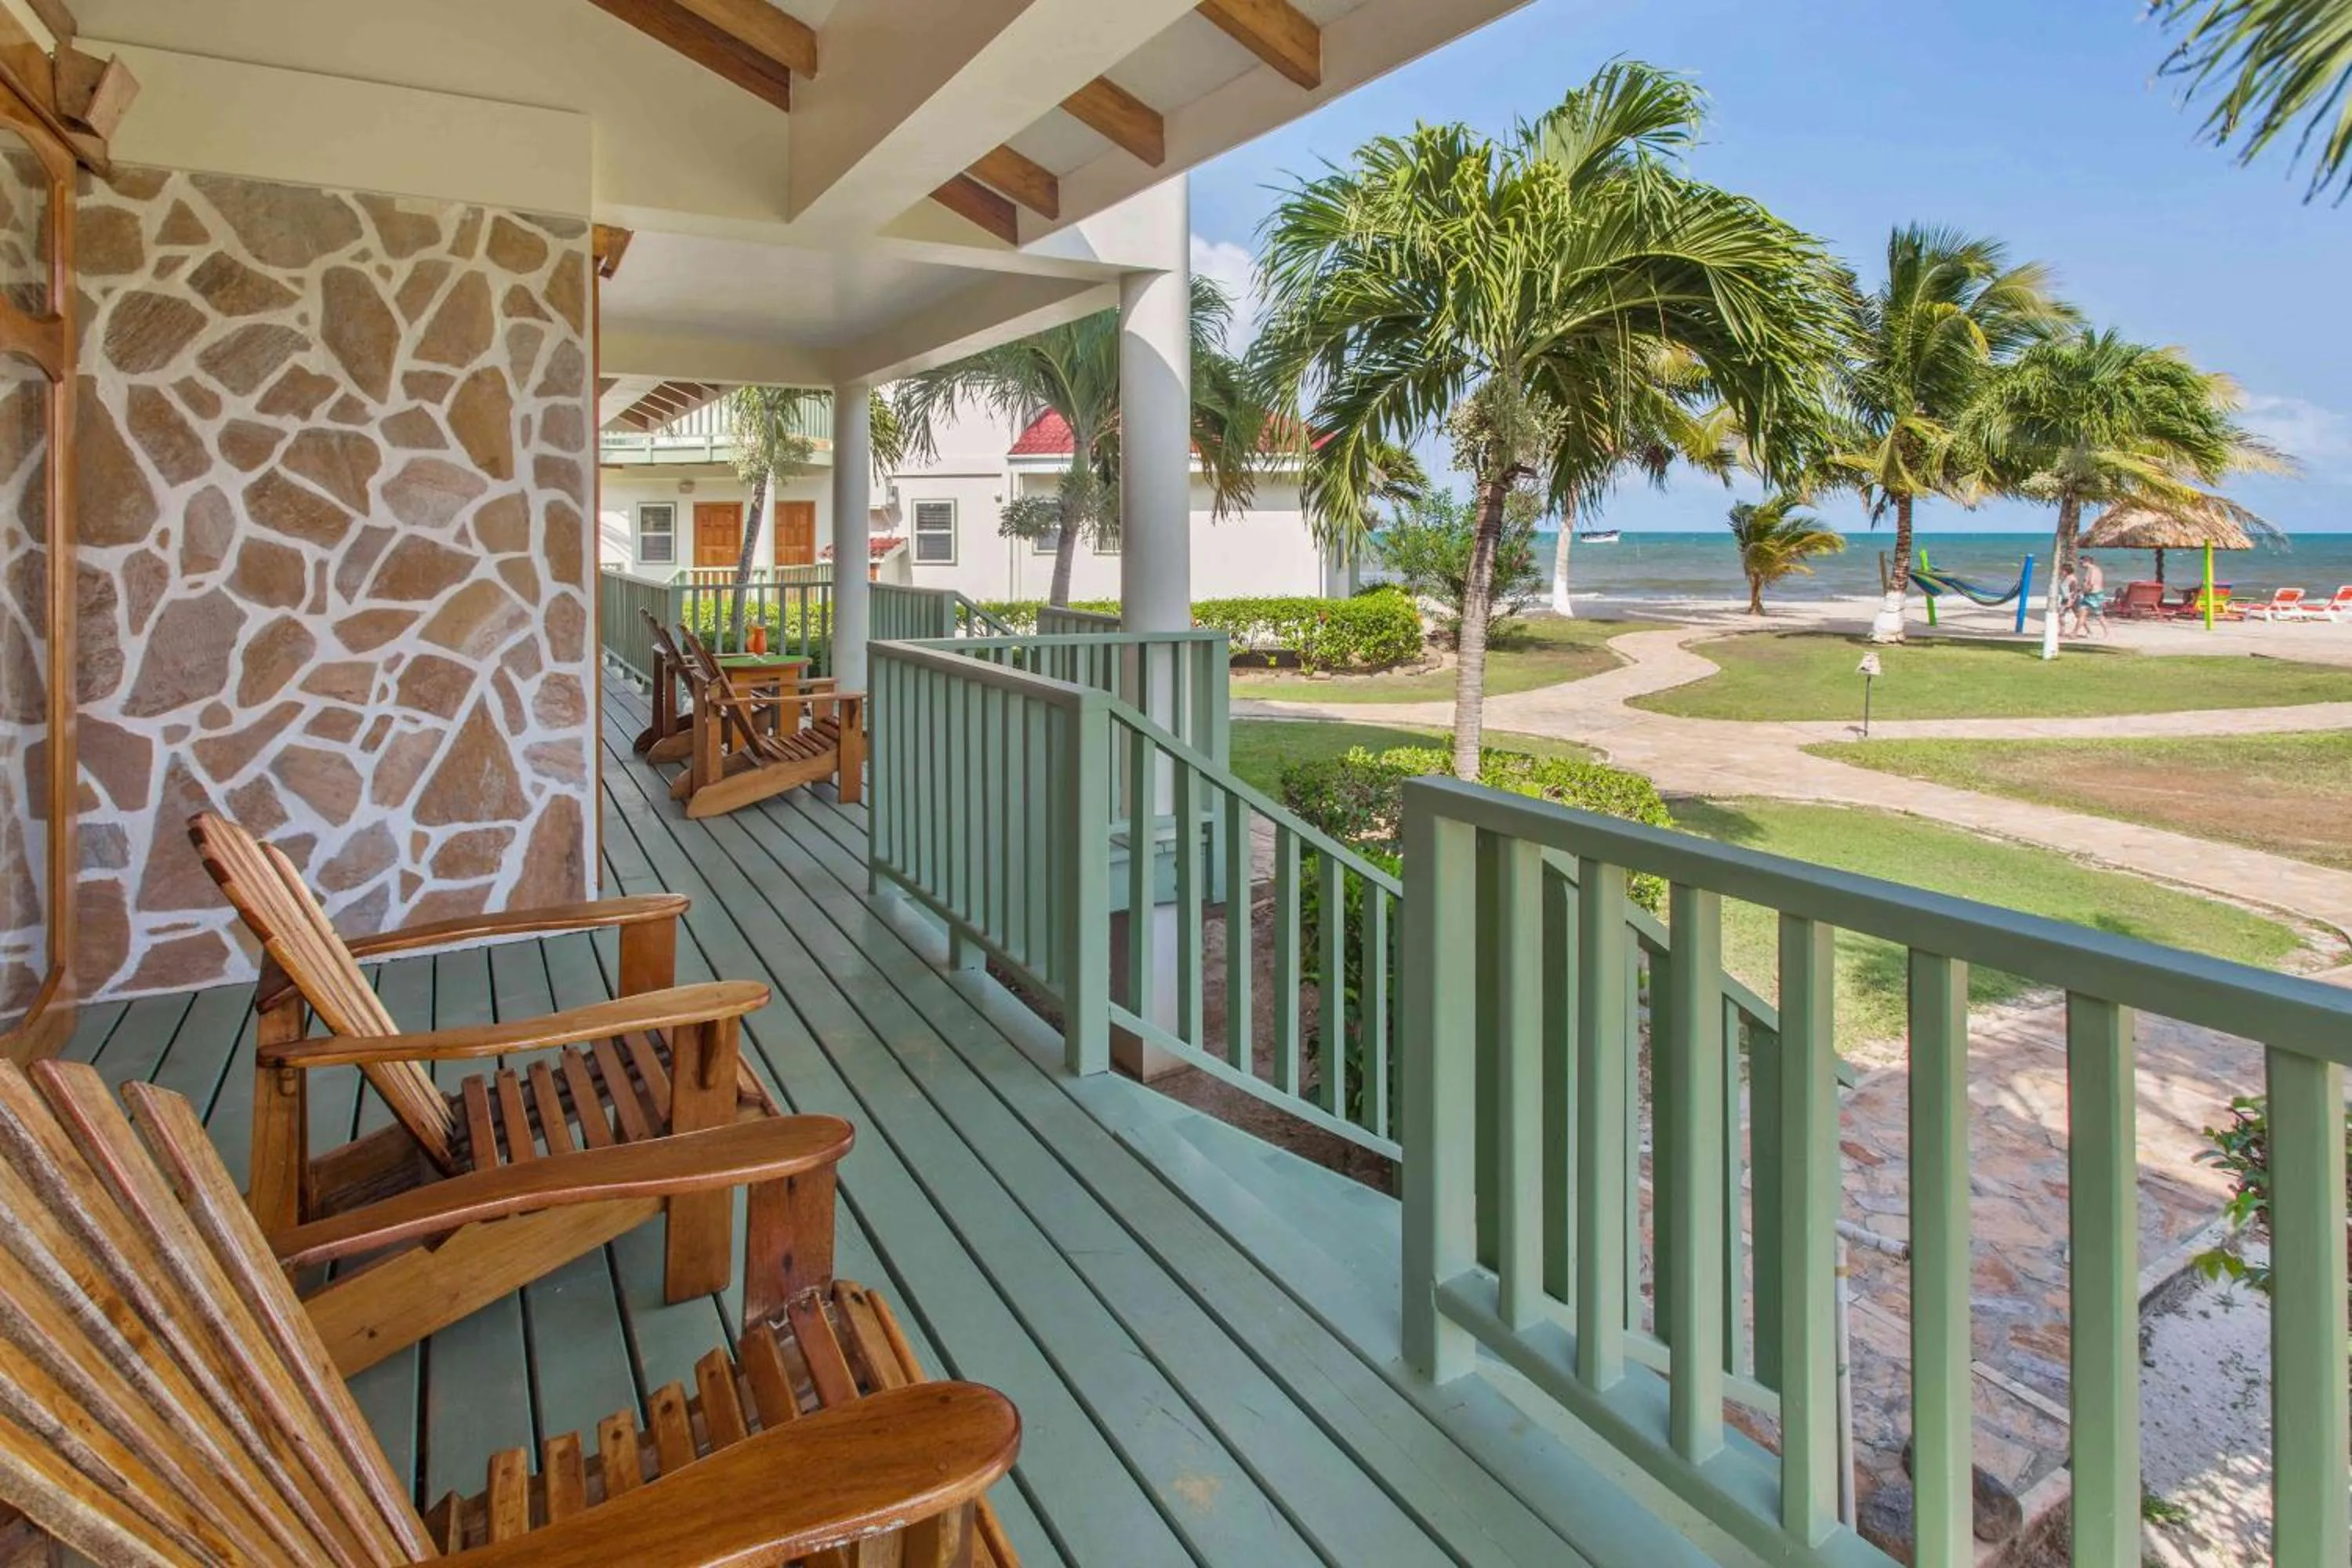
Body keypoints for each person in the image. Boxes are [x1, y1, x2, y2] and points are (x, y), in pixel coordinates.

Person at [2072, 553, 2107, 637]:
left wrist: (2082, 591)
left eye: (2081, 563)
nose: (2080, 564)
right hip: (2090, 596)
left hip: (2094, 596)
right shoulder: (2094, 569)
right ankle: (2075, 633)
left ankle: (2107, 633)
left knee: (2099, 616)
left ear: (2086, 562)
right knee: (2082, 614)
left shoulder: (2093, 570)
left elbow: (2091, 585)